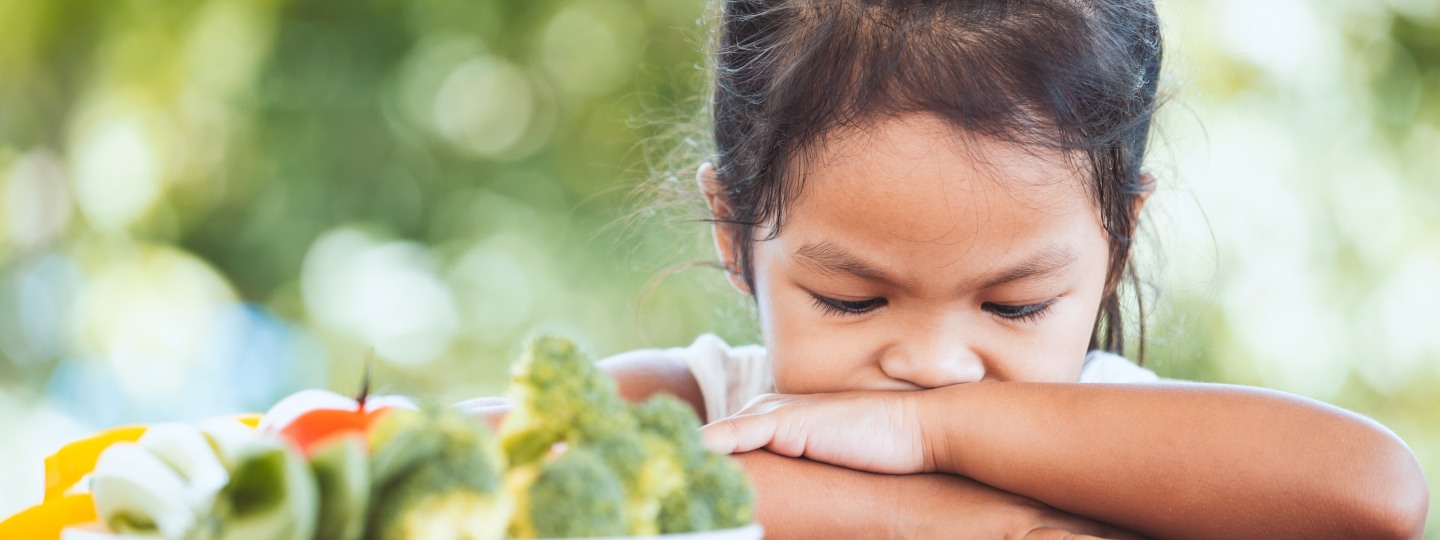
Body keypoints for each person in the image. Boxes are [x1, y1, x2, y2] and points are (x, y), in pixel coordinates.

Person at [467, 0, 1429, 537]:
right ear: (733, 229)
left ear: (1116, 246)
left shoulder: (1129, 444)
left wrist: (927, 436)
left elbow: (1377, 495)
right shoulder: (702, 408)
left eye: (1014, 306)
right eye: (851, 299)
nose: (935, 362)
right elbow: (399, 458)